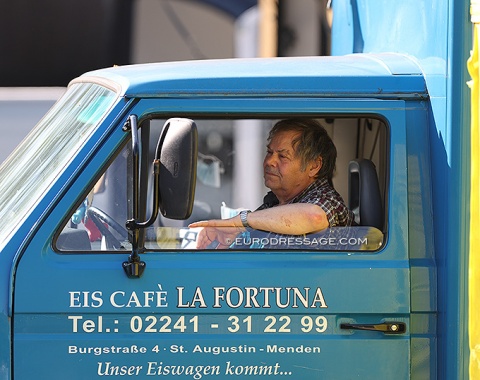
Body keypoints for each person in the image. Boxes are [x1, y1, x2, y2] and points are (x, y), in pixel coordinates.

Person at [189, 118, 354, 249]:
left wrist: (241, 221)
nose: (270, 161)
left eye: (282, 156)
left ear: (314, 166)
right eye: (269, 152)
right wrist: (233, 235)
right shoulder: (272, 205)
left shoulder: (328, 200)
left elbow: (314, 217)